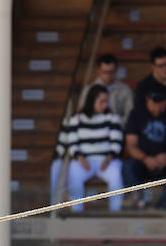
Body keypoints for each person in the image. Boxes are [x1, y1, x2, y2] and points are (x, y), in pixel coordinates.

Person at [52, 84, 125, 212]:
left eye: (106, 101)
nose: (105, 105)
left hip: (107, 161)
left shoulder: (113, 118)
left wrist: (108, 159)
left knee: (116, 175)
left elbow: (117, 142)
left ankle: (116, 211)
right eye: (101, 101)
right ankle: (76, 211)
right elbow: (72, 142)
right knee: (74, 171)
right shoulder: (77, 119)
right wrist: (80, 158)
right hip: (84, 161)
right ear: (92, 100)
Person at [122, 89, 166, 210]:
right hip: (143, 160)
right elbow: (130, 146)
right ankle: (139, 202)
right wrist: (145, 158)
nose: (157, 109)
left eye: (161, 104)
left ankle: (163, 205)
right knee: (128, 166)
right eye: (154, 104)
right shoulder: (136, 114)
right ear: (148, 100)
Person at [78, 53, 134, 123]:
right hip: (92, 129)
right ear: (98, 70)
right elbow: (81, 113)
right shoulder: (88, 89)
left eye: (111, 72)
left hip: (117, 128)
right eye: (104, 72)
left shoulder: (125, 90)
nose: (108, 76)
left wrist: (115, 124)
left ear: (116, 70)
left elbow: (131, 115)